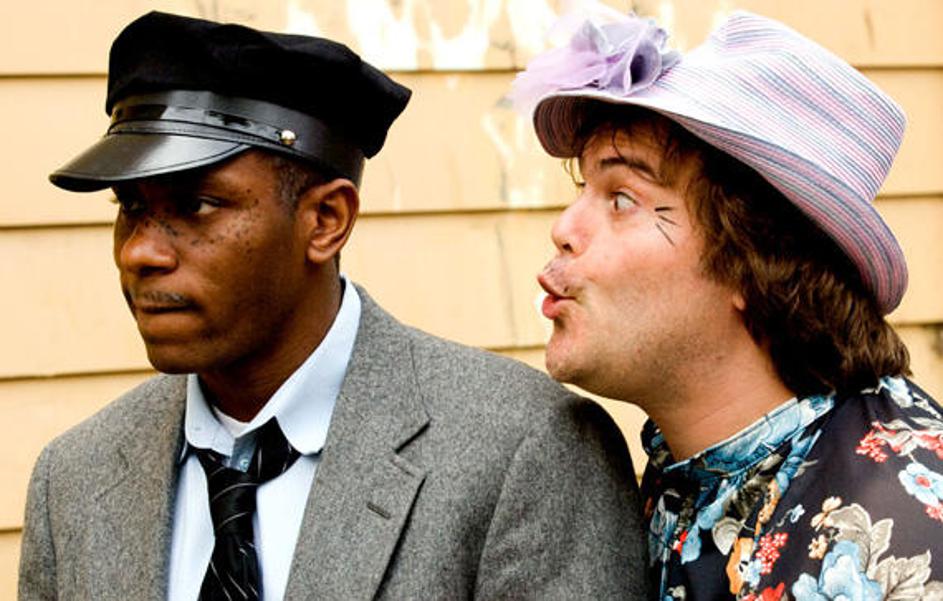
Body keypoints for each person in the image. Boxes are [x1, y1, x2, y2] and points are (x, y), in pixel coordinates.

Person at [18, 11, 649, 600]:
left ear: (326, 220)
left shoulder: (522, 449)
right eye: (130, 207)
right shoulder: (73, 479)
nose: (140, 252)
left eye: (197, 205)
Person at [511, 8, 943, 600]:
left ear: (755, 256)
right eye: (582, 188)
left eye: (622, 199)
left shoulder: (895, 537)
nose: (564, 228)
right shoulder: (691, 474)